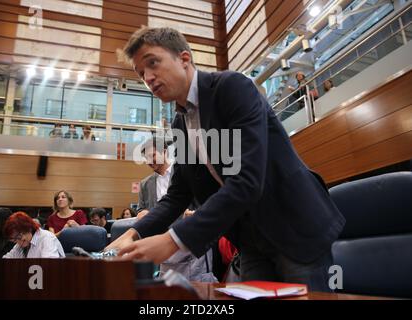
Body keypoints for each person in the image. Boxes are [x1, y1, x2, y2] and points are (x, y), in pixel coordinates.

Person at [107, 27, 345, 291]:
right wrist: (133, 233)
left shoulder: (232, 87)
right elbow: (177, 195)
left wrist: (172, 241)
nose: (148, 78)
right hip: (251, 238)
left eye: (153, 63)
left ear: (184, 59)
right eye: (141, 74)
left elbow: (247, 180)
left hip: (296, 226)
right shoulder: (180, 123)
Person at [121, 137, 216, 282]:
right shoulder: (145, 184)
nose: (148, 161)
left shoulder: (186, 174)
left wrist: (195, 213)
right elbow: (141, 209)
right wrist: (142, 213)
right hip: (162, 246)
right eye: (145, 158)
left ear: (164, 152)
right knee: (167, 288)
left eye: (152, 156)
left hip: (190, 239)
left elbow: (205, 202)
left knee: (198, 287)